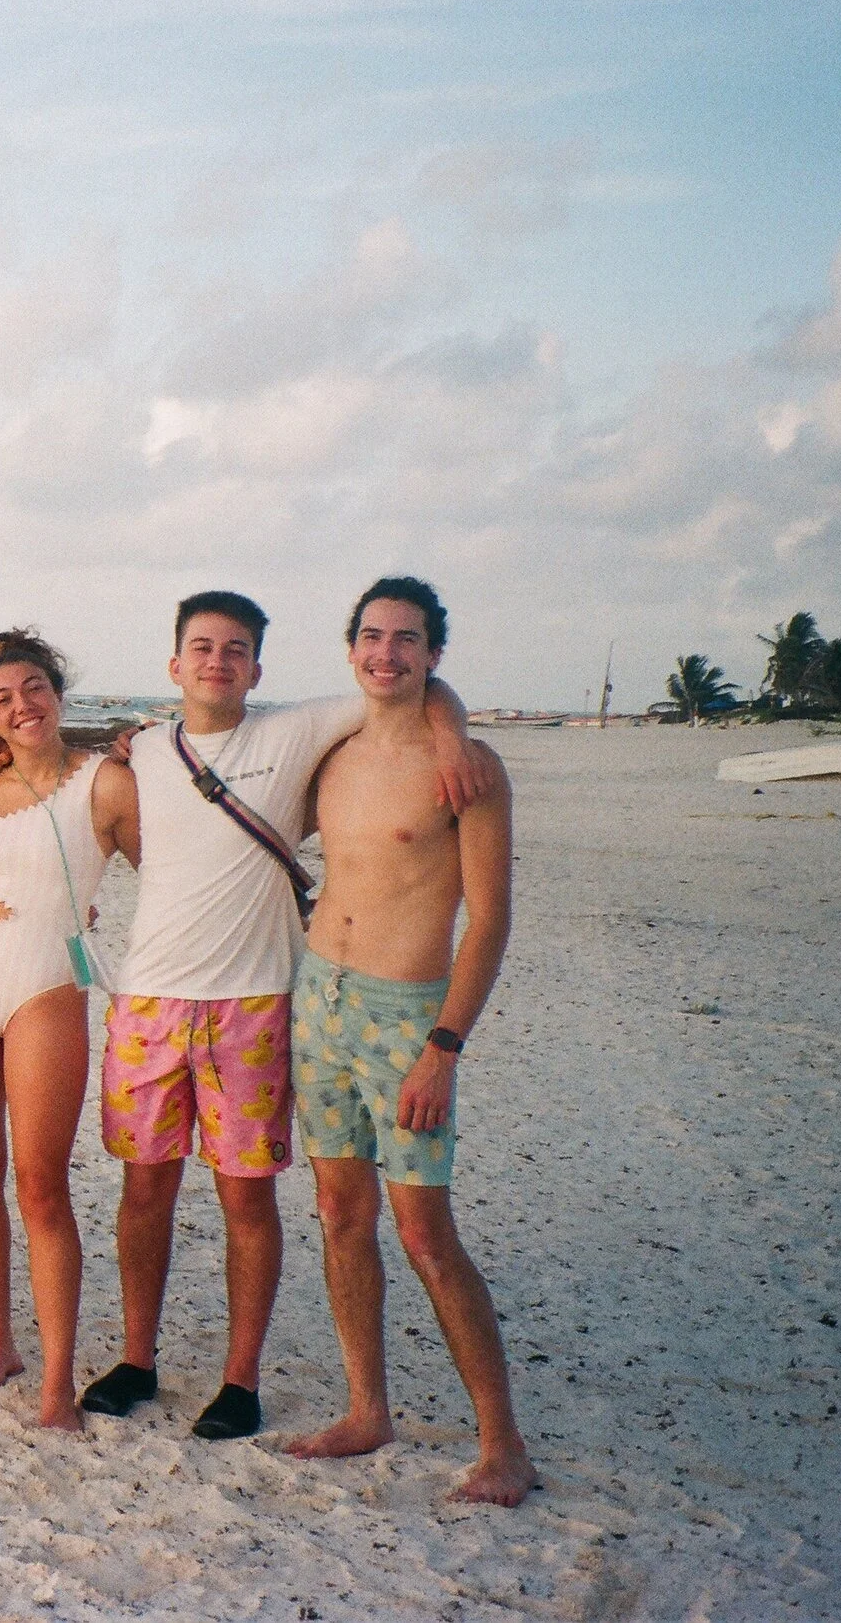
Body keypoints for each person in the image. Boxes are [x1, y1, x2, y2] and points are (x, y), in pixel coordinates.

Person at [81, 590, 487, 1439]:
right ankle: (137, 1358)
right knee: (143, 1191)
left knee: (248, 1201)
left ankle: (240, 1378)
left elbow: (401, 686)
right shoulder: (142, 753)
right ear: (174, 664)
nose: (217, 662)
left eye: (235, 650)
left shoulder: (296, 733)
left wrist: (450, 733)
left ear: (257, 668)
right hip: (149, 1000)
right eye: (201, 647)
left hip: (258, 1005)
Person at [285, 577, 537, 1506]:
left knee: (427, 1232)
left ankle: (502, 1443)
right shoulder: (333, 753)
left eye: (407, 639)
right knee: (340, 1215)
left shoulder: (467, 769)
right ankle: (366, 1408)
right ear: (350, 647)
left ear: (434, 653)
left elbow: (491, 922)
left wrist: (445, 1045)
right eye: (372, 636)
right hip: (320, 1002)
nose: (386, 653)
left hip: (407, 1017)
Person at [0, 630, 139, 1426]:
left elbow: (178, 870)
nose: (23, 707)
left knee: (41, 1184)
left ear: (58, 691)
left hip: (47, 986)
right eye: (2, 699)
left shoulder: (108, 783)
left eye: (34, 689)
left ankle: (57, 1379)